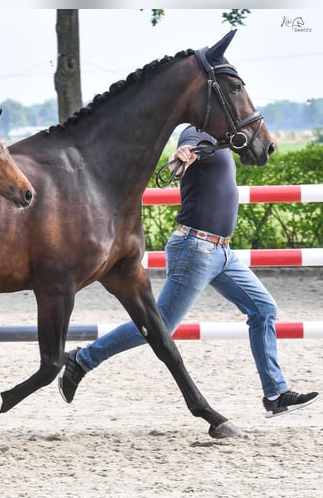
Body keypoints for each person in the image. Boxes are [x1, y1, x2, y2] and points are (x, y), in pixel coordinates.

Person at [58, 124, 318, 418]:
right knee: (162, 325)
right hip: (195, 248)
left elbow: (252, 143)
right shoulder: (196, 133)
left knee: (264, 309)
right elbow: (184, 155)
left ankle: (275, 394)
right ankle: (82, 360)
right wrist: (180, 158)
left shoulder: (221, 140)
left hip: (222, 252)